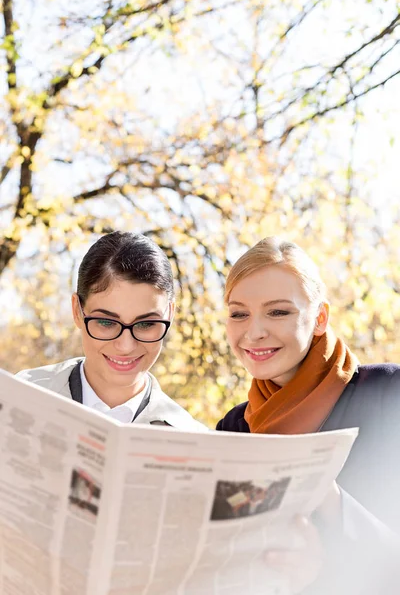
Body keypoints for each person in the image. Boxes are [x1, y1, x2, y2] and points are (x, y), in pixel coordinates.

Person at [216, 236, 400, 594]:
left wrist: (329, 502)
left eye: (278, 311)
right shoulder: (233, 428)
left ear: (319, 318)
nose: (253, 332)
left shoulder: (387, 395)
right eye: (239, 313)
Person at [17, 231, 206, 431]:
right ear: (77, 311)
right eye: (106, 322)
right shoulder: (18, 395)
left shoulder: (193, 437)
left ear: (169, 314)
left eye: (145, 324)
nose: (125, 346)